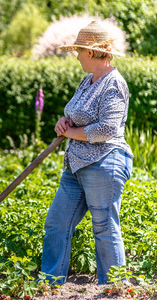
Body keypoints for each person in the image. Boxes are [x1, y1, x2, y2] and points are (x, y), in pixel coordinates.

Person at [40, 20, 134, 285]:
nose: (77, 56)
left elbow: (106, 128)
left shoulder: (113, 84)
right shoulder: (87, 81)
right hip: (76, 164)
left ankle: (113, 288)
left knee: (104, 228)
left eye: (79, 51)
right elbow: (76, 115)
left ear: (90, 53)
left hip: (104, 163)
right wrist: (64, 122)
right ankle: (49, 284)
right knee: (57, 224)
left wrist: (69, 133)